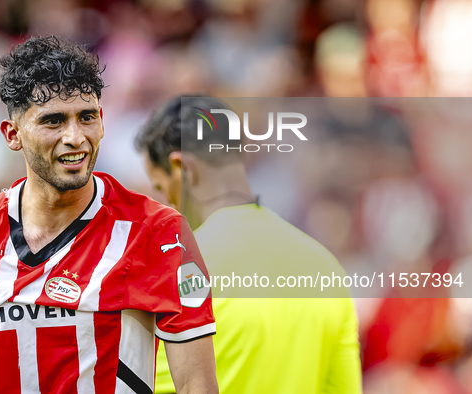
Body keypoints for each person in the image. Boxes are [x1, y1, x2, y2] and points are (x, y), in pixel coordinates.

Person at [0, 37, 218, 394]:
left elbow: (196, 386)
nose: (75, 137)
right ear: (12, 135)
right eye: (53, 121)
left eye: (87, 117)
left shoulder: (160, 233)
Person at [135, 96, 362, 393]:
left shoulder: (174, 269)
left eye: (162, 189)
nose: (165, 204)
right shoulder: (325, 266)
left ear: (181, 168)